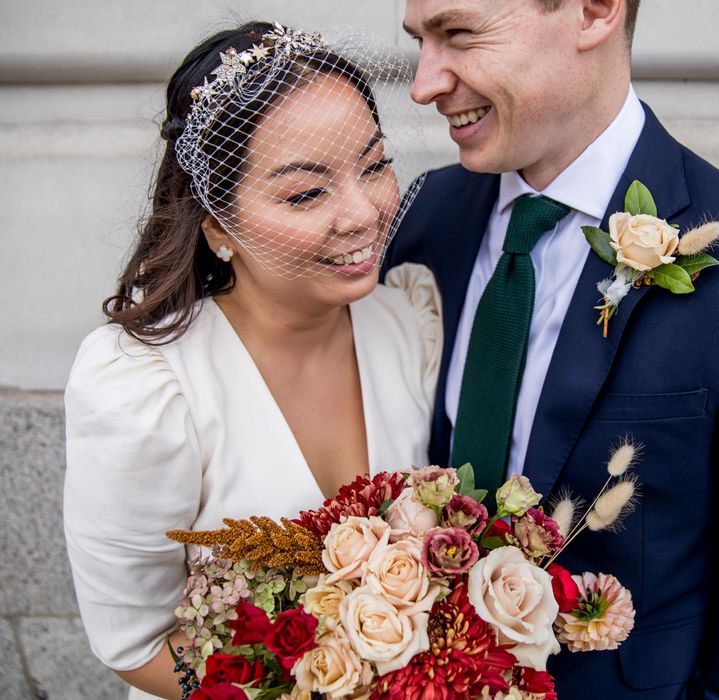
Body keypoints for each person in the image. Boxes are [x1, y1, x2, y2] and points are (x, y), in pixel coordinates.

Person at [387, 1, 719, 698]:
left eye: (459, 34)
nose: (424, 83)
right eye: (420, 42)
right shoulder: (422, 213)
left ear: (592, 12)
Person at [63, 21, 441, 700]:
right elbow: (133, 645)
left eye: (375, 164)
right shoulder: (146, 388)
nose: (362, 213)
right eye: (306, 193)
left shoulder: (409, 323)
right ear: (218, 227)